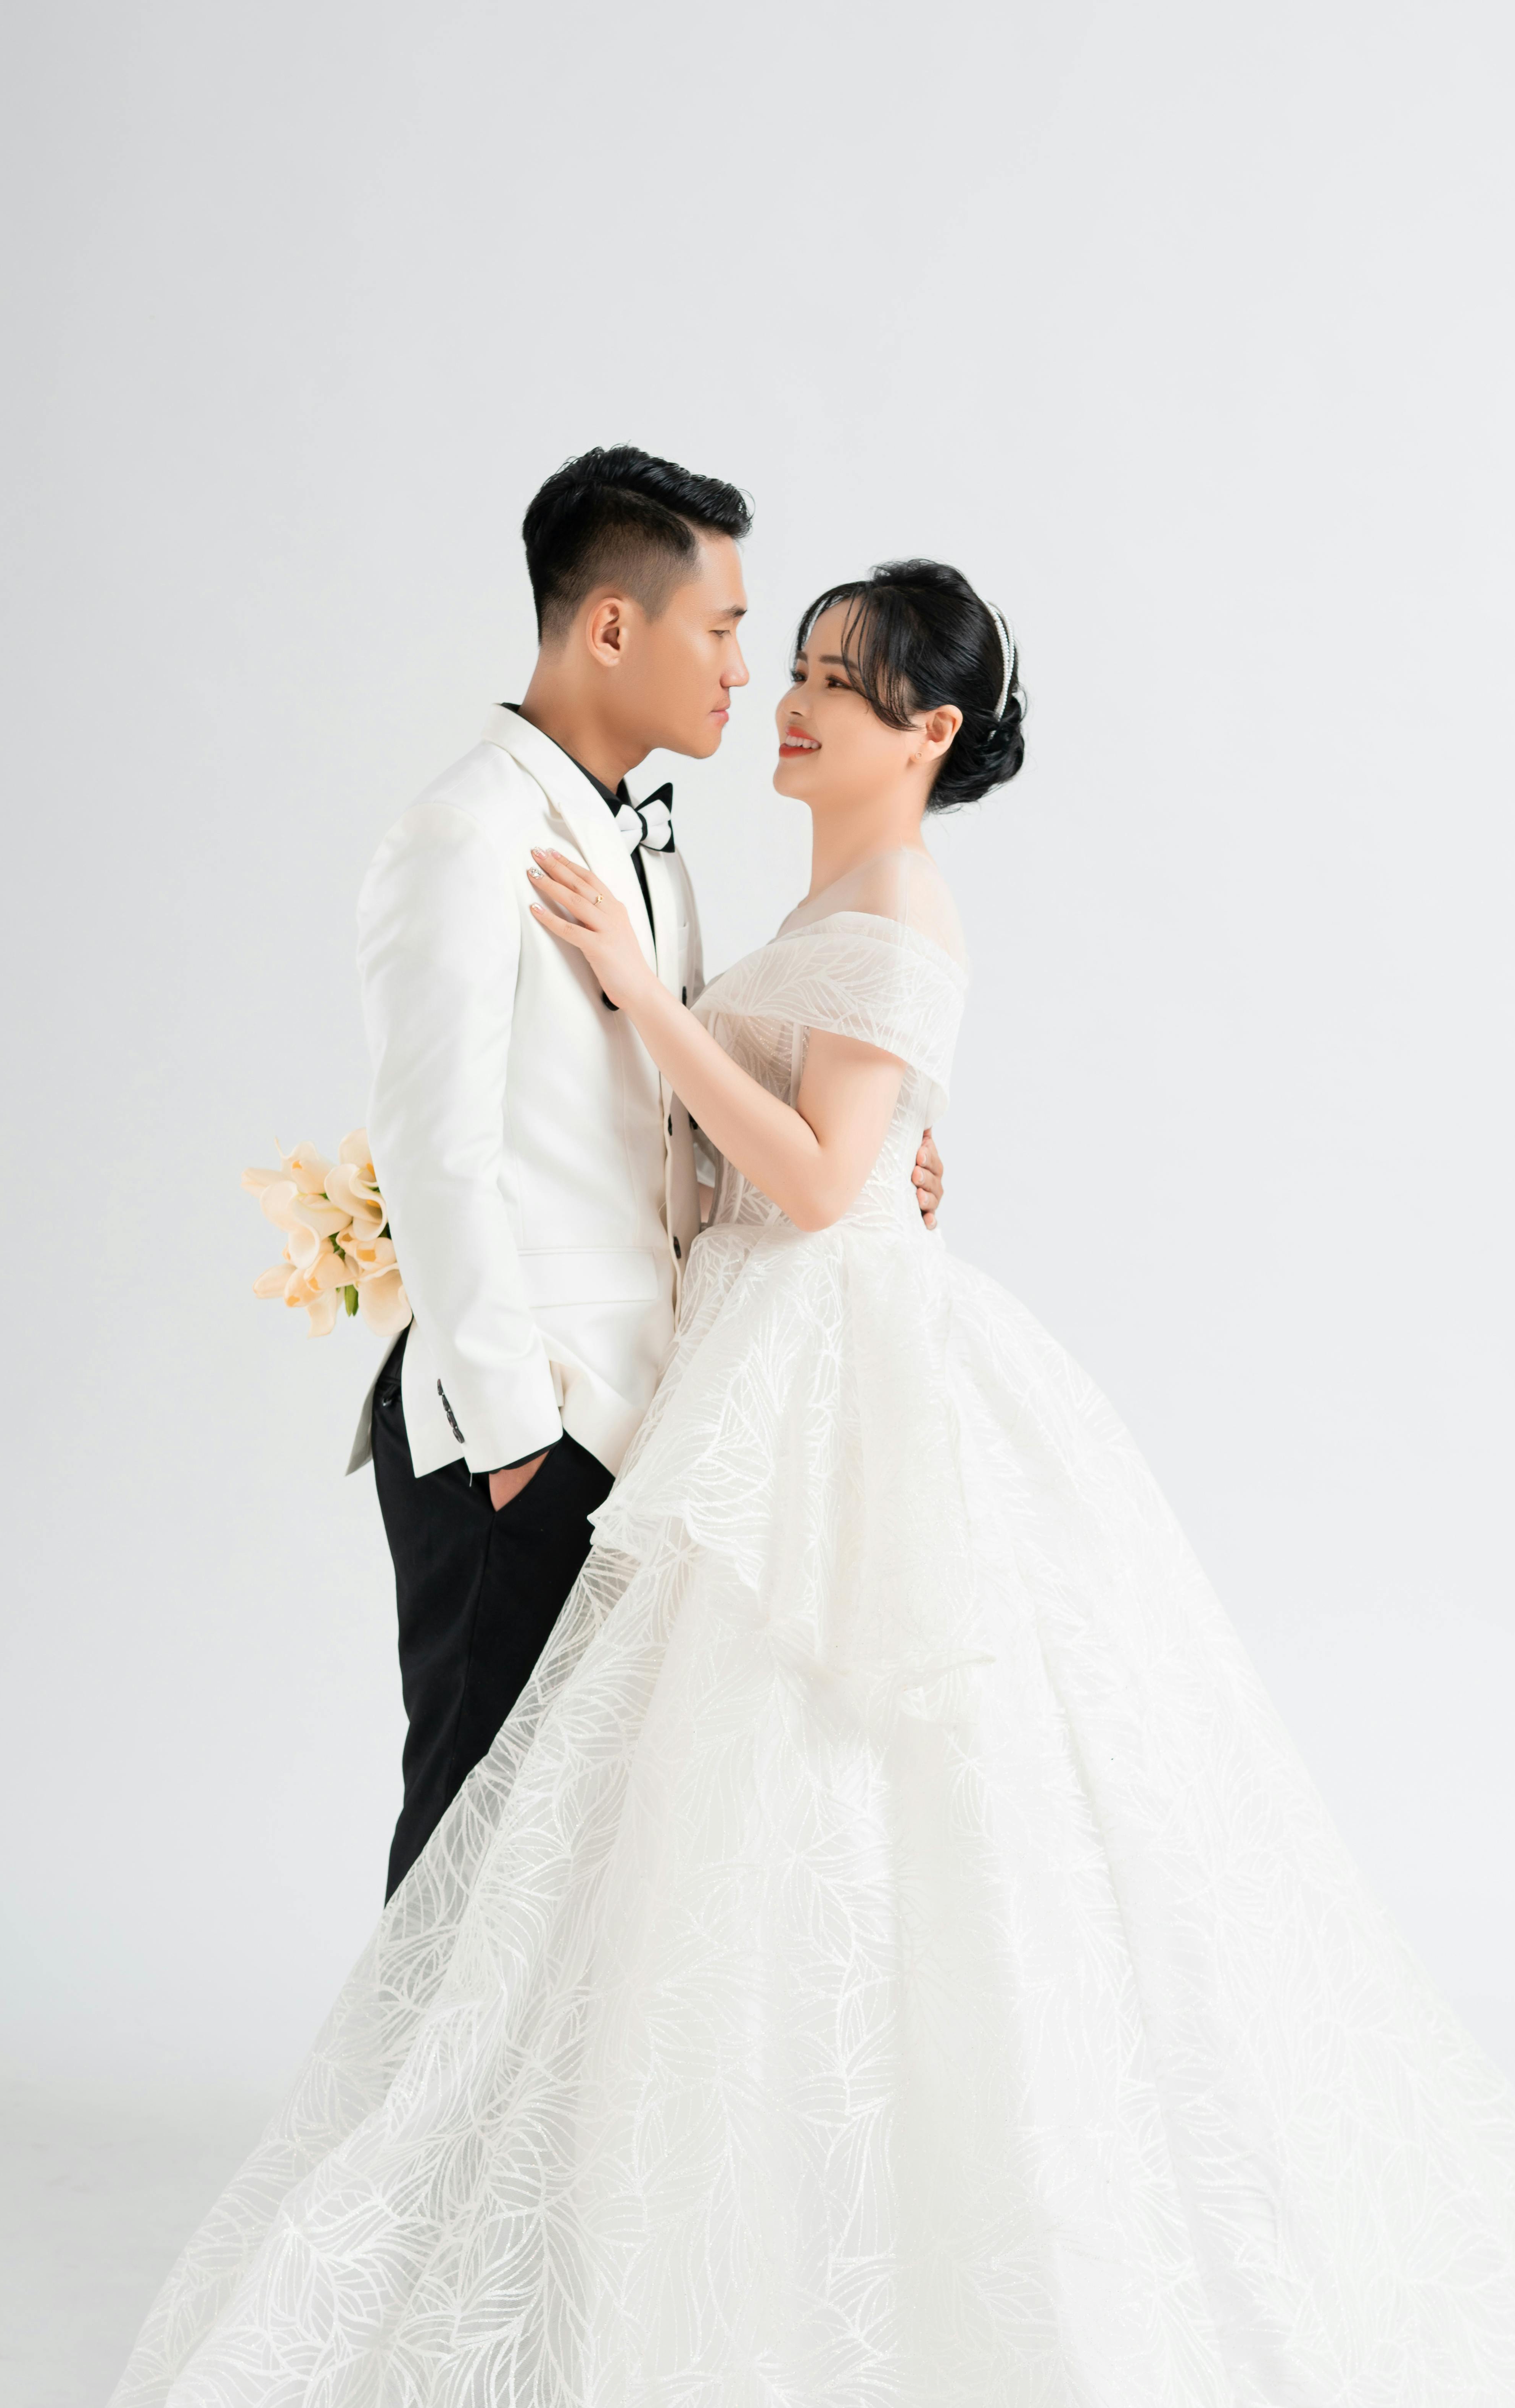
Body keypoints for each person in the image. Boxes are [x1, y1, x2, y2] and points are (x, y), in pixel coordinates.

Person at [45, 561, 1515, 2408]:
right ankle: (666, 2302)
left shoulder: (897, 908)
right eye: (782, 672)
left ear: (926, 730)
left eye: (832, 687)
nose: (785, 709)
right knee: (704, 1840)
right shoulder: (829, 909)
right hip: (765, 1372)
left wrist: (644, 1009)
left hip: (844, 1391)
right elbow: (798, 1152)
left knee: (870, 1814)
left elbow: (814, 1176)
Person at [351, 447, 944, 1895]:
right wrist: (508, 1439)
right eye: (729, 629)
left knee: (572, 1863)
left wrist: (870, 1165)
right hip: (528, 1419)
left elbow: (666, 1109)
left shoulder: (648, 847)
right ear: (614, 626)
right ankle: (417, 2130)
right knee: (472, 1843)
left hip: (643, 1414)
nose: (751, 675)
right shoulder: (469, 830)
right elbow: (435, 1152)